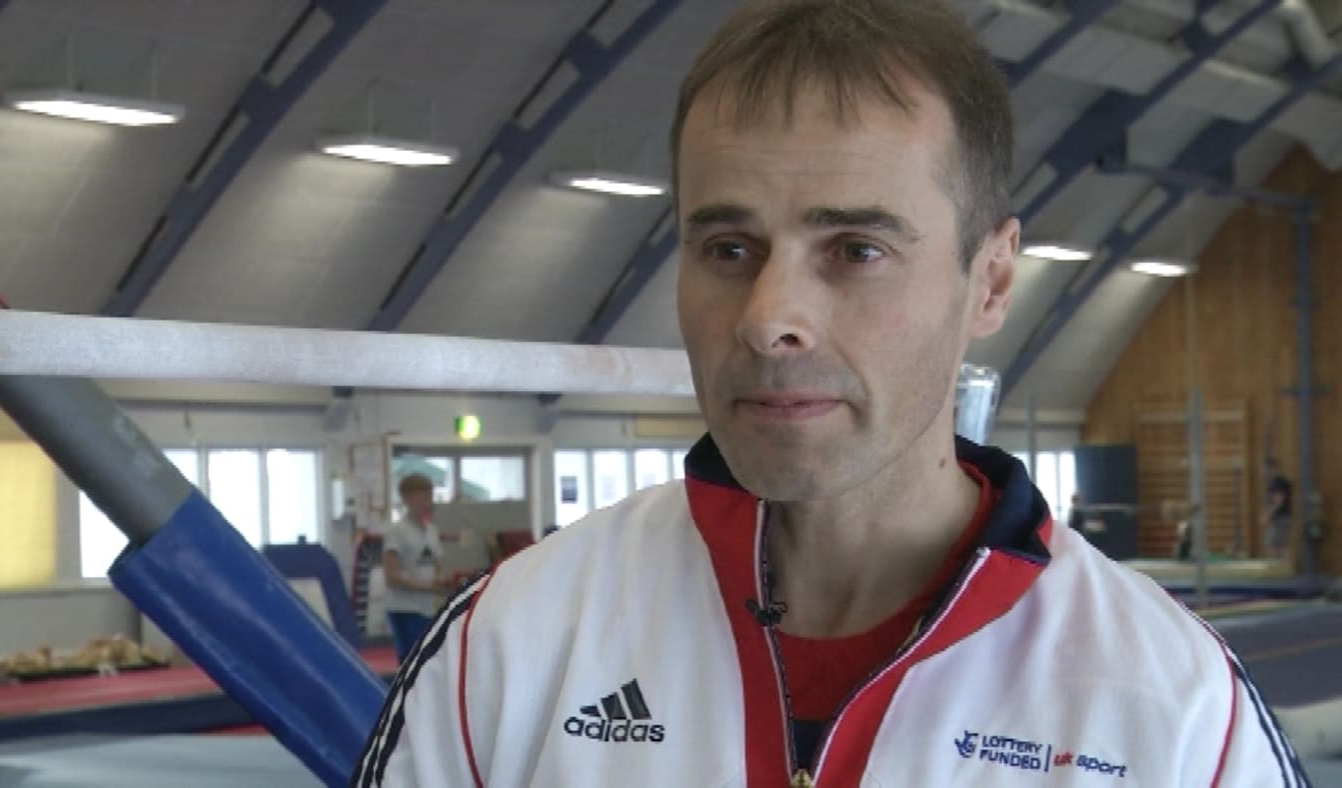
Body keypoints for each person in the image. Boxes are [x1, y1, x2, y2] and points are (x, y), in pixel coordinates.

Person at [354, 2, 1306, 784]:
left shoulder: (1175, 714)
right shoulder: (512, 646)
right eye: (729, 248)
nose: (769, 318)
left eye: (856, 250)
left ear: (990, 281)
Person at [380, 473, 450, 663]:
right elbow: (391, 576)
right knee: (412, 664)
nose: (427, 502)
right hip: (404, 608)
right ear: (407, 499)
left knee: (430, 663)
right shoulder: (396, 531)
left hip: (427, 607)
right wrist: (428, 586)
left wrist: (443, 582)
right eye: (422, 497)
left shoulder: (432, 531)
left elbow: (438, 567)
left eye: (429, 496)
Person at [1262, 457, 1293, 561]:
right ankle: (1280, 564)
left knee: (1275, 544)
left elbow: (1279, 501)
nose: (1263, 472)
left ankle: (1280, 565)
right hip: (1279, 517)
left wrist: (1267, 514)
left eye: (1265, 469)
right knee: (1277, 544)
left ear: (1271, 468)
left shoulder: (1278, 482)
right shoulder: (1273, 482)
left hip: (1282, 517)